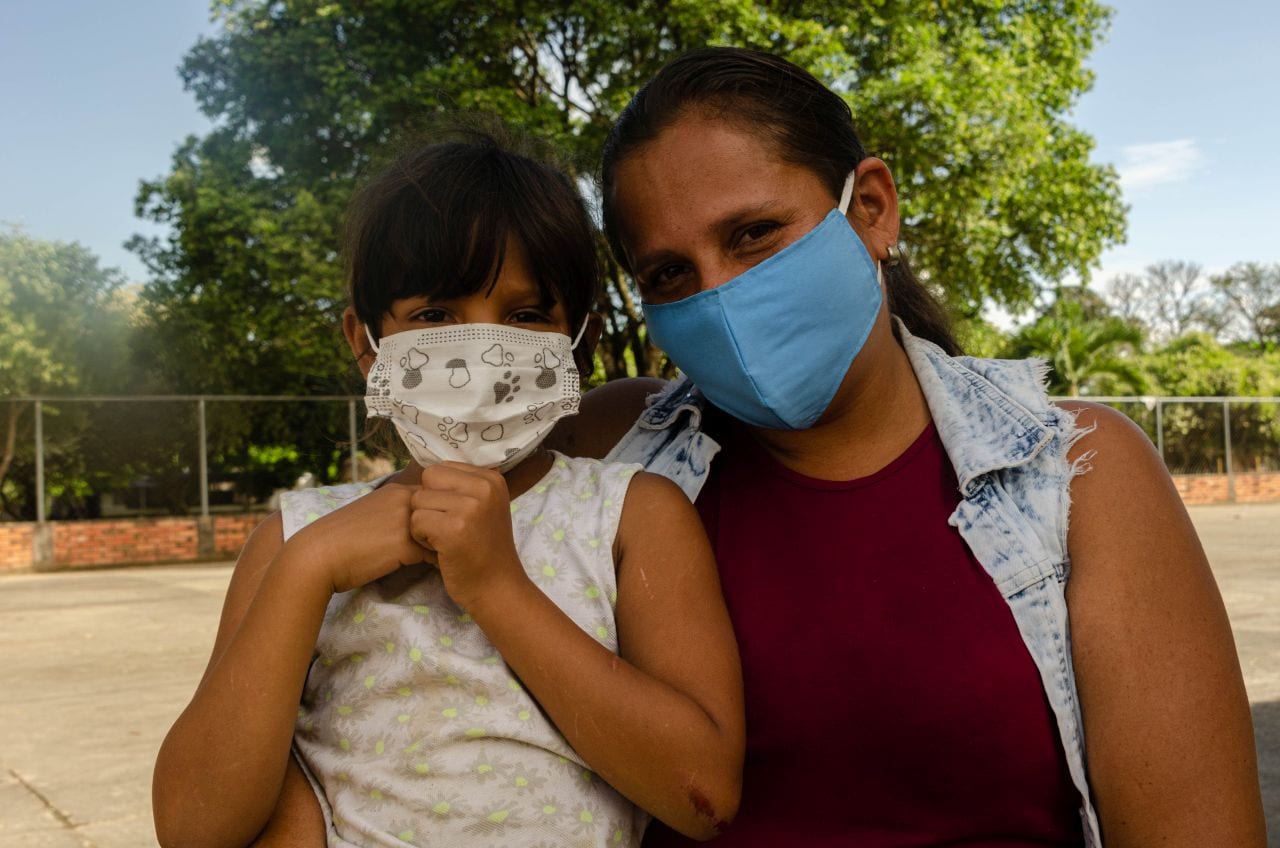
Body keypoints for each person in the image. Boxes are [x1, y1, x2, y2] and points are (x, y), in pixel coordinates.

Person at [559, 47, 1262, 847]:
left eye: (754, 234)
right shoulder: (609, 450)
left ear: (871, 209)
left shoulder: (1078, 473)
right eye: (670, 274)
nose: (719, 295)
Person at [151, 129, 744, 848]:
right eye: (435, 315)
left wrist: (497, 587)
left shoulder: (630, 516)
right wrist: (305, 571)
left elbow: (705, 794)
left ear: (576, 340)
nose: (483, 349)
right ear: (366, 342)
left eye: (527, 315)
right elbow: (191, 827)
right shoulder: (295, 538)